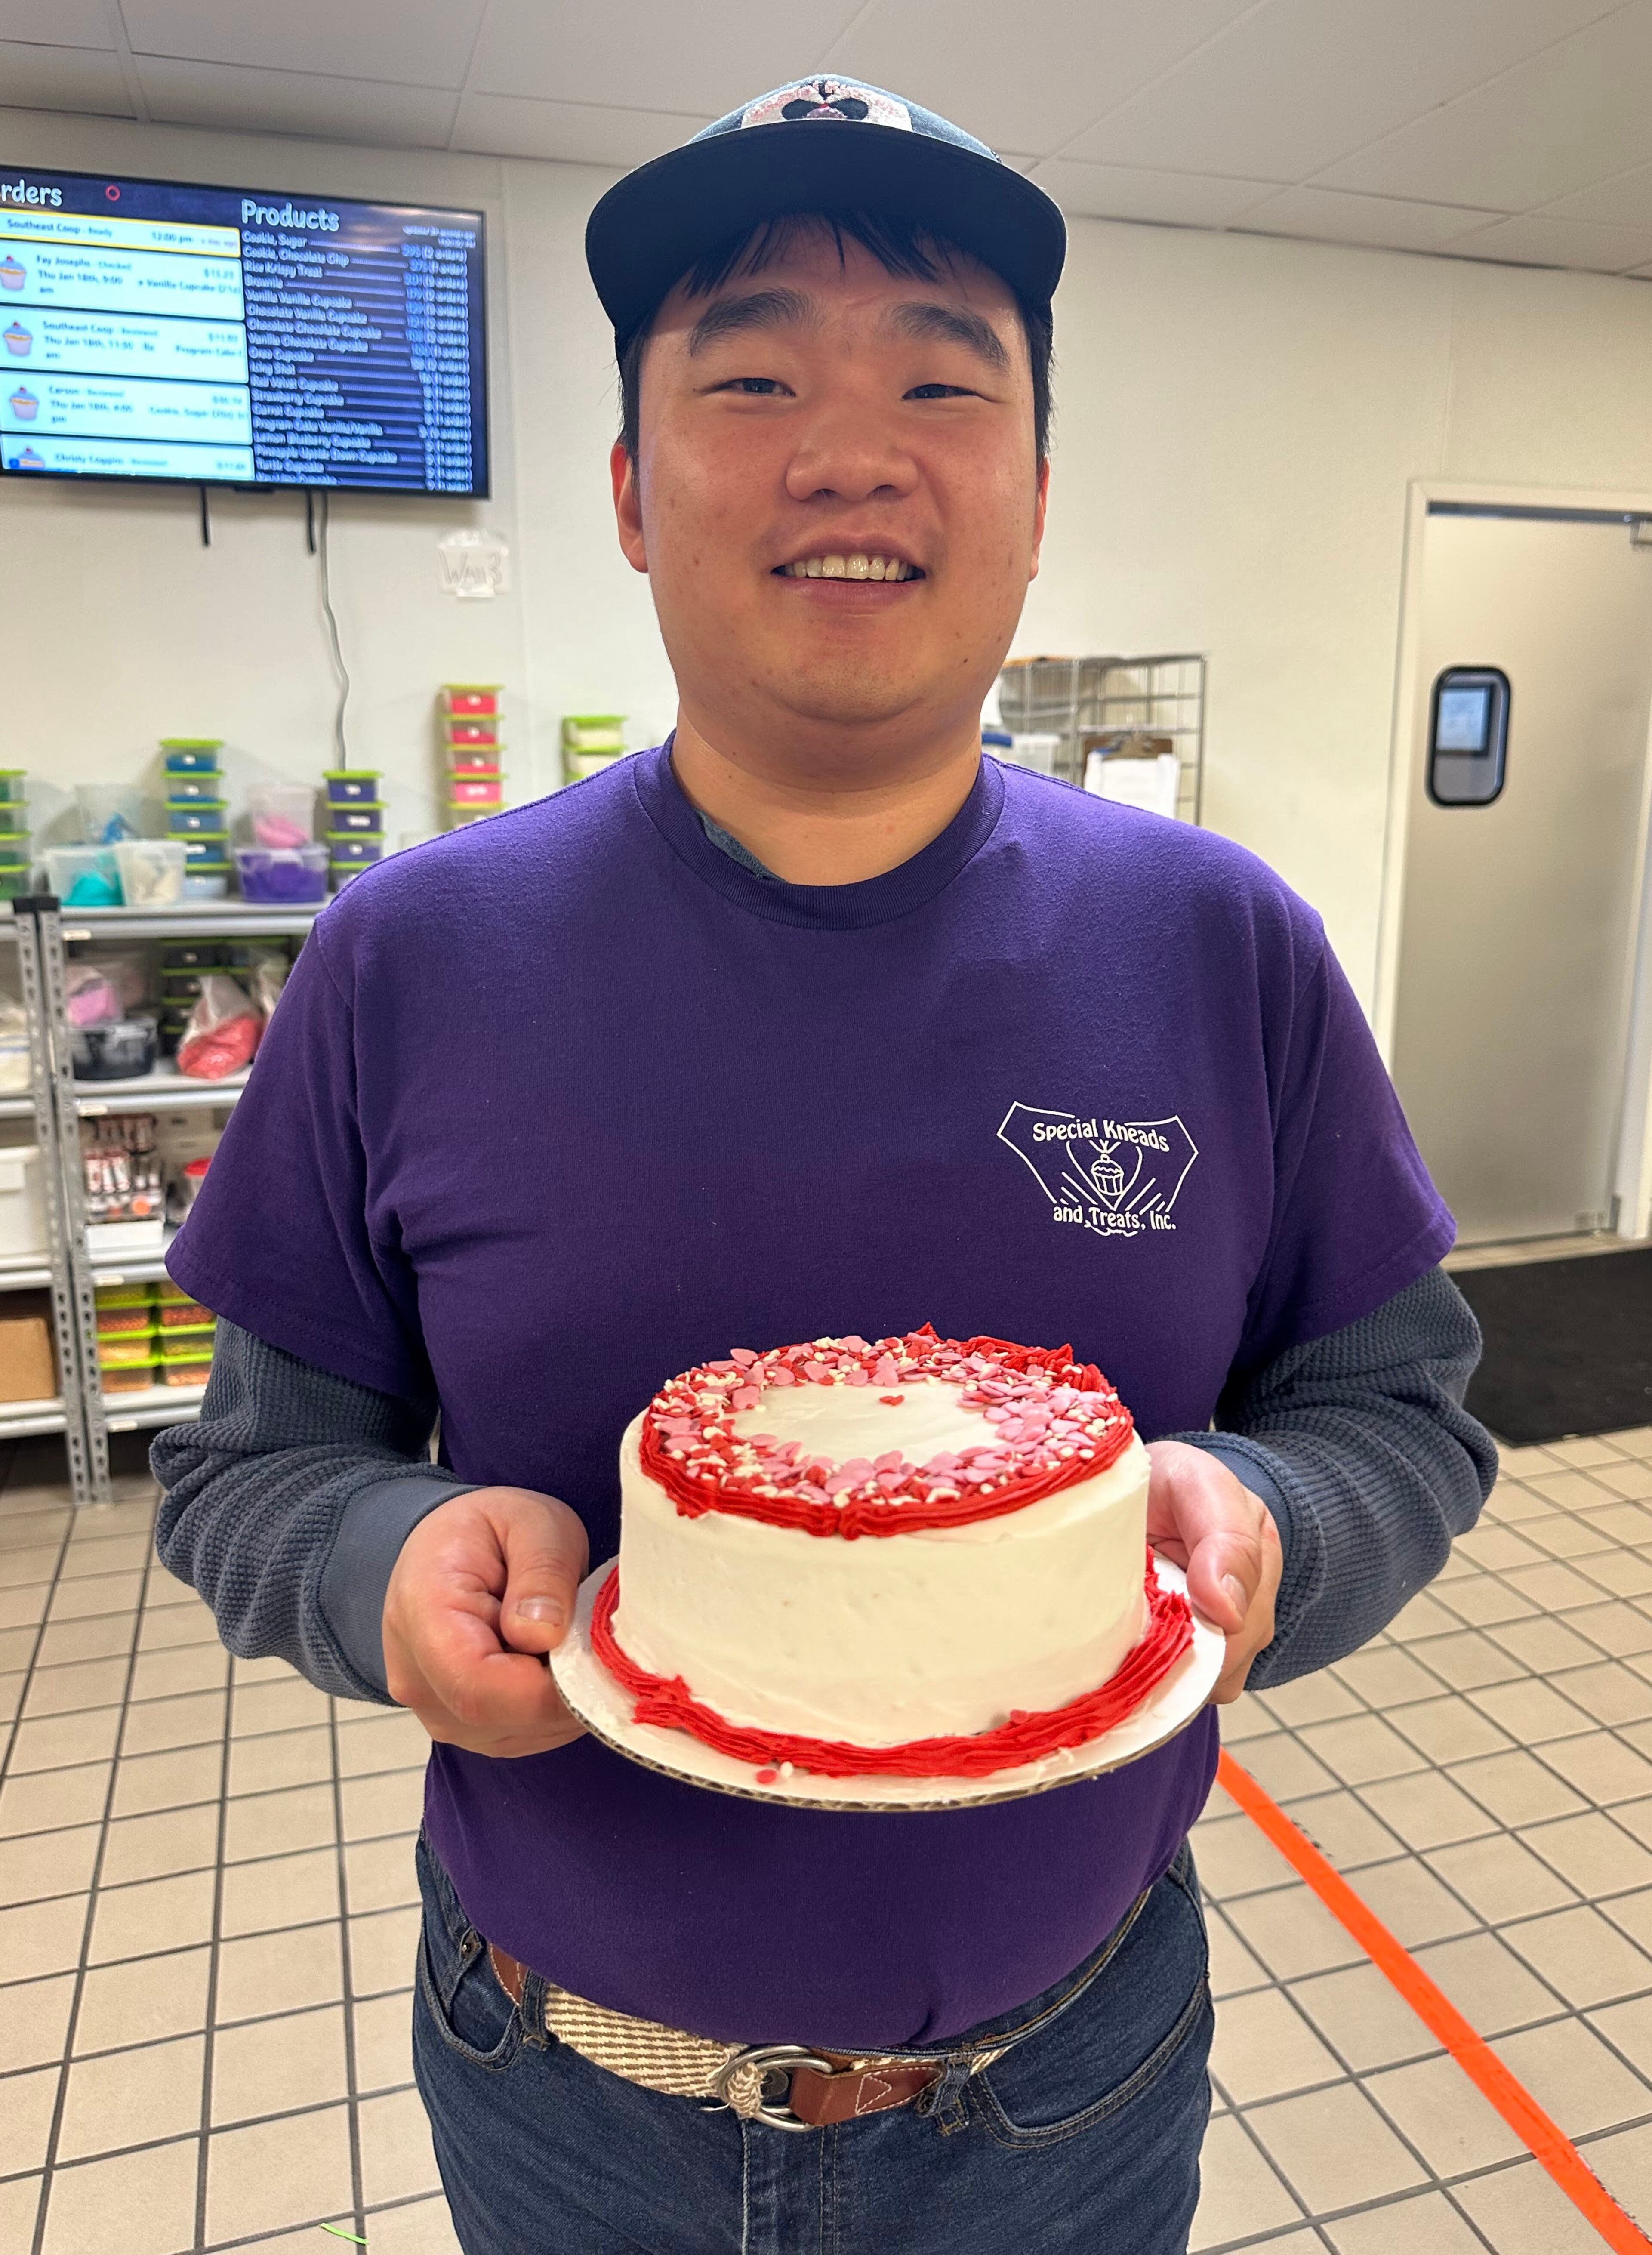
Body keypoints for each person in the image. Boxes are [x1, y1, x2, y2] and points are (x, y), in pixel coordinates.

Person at [154, 77, 1496, 2255]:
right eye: (754, 377)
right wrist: (381, 1569)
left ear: (1037, 491)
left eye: (942, 385)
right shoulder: (413, 957)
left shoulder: (1220, 947)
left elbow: (1401, 1412)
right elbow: (247, 1479)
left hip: (1077, 2085)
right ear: (629, 487)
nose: (852, 454)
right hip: (567, 2092)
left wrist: (1274, 1524)